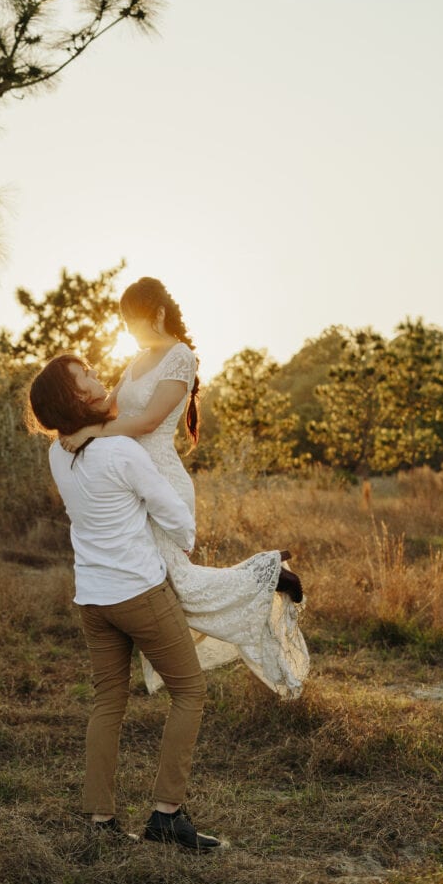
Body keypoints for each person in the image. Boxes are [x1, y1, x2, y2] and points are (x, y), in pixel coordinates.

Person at [60, 277, 309, 698]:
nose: (130, 329)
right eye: (124, 322)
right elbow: (108, 406)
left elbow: (148, 421)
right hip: (131, 480)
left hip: (161, 478)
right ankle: (257, 584)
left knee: (178, 587)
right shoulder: (137, 359)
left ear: (157, 314)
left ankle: (271, 576)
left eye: (134, 320)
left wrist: (89, 434)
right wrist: (65, 416)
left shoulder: (181, 357)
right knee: (164, 584)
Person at [28, 354, 224, 851]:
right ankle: (166, 815)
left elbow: (105, 418)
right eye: (86, 377)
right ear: (73, 399)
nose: (99, 378)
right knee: (190, 692)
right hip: (139, 591)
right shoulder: (122, 454)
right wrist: (184, 542)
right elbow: (173, 512)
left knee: (108, 704)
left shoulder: (59, 452)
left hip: (92, 598)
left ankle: (100, 822)